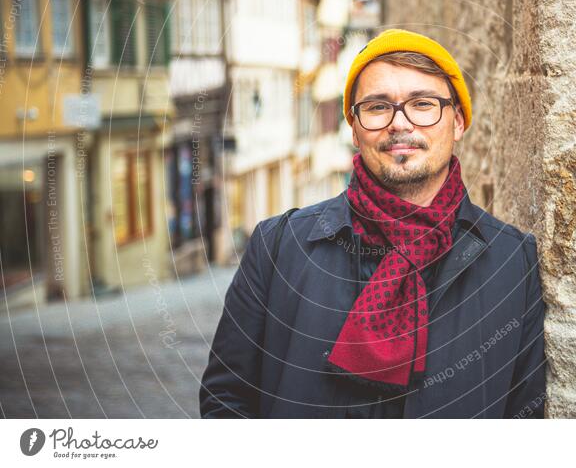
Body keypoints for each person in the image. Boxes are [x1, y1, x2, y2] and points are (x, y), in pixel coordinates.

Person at [199, 28, 547, 418]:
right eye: (378, 107)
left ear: (459, 121)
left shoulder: (512, 261)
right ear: (354, 128)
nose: (400, 123)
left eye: (423, 104)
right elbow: (225, 402)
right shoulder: (279, 247)